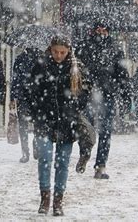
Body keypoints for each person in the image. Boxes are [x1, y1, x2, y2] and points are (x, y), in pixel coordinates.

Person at [28, 34, 92, 216]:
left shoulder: (76, 67)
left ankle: (58, 200)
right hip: (44, 119)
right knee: (45, 158)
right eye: (55, 51)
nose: (58, 55)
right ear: (50, 49)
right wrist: (35, 110)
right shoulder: (41, 65)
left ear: (68, 51)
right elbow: (31, 89)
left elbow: (86, 89)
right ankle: (45, 197)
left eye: (62, 52)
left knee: (62, 161)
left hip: (66, 120)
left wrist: (76, 105)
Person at [76, 21, 130, 179]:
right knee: (87, 129)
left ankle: (100, 165)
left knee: (105, 131)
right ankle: (85, 155)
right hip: (88, 94)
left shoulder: (115, 49)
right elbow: (77, 70)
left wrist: (126, 96)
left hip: (107, 95)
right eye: (98, 30)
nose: (101, 33)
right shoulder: (84, 47)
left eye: (104, 30)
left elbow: (122, 74)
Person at [10, 47, 41, 163]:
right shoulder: (20, 59)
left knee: (38, 124)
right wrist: (13, 96)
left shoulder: (43, 59)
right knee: (23, 124)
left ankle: (35, 145)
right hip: (24, 96)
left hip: (38, 97)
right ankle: (25, 152)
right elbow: (15, 78)